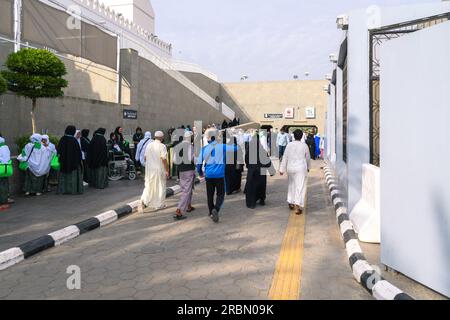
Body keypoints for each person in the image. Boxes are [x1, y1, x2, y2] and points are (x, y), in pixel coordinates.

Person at [197, 129, 236, 223]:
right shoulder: (222, 146)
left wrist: (200, 173)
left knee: (210, 194)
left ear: (209, 140)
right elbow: (235, 148)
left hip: (209, 175)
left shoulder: (204, 149)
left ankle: (211, 211)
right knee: (221, 194)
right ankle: (216, 209)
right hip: (219, 175)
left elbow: (198, 164)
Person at [279, 130, 311, 215]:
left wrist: (281, 169)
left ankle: (290, 201)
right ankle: (297, 206)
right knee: (299, 187)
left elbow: (285, 157)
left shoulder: (289, 145)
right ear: (301, 136)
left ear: (294, 136)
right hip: (300, 168)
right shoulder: (304, 145)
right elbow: (308, 157)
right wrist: (308, 167)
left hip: (290, 168)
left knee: (291, 185)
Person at [141, 131, 169, 212]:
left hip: (149, 170)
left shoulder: (149, 145)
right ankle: (159, 204)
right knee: (160, 187)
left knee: (149, 185)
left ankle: (144, 200)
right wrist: (167, 170)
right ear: (161, 137)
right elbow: (164, 159)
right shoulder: (162, 146)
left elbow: (145, 157)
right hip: (159, 169)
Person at [245, 134, 275, 209]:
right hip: (261, 170)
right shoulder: (262, 150)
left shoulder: (249, 150)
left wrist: (248, 166)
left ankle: (252, 203)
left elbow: (246, 160)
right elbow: (267, 160)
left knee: (251, 186)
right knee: (261, 185)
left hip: (252, 171)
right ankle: (261, 200)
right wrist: (271, 171)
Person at [173, 131, 196, 220]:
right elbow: (192, 158)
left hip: (181, 170)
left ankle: (188, 206)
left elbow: (175, 160)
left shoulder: (178, 146)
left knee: (186, 188)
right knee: (186, 190)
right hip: (189, 169)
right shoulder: (190, 146)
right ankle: (179, 210)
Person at [57, 126, 83, 195]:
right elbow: (78, 153)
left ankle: (62, 190)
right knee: (73, 177)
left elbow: (58, 150)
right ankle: (72, 190)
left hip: (63, 162)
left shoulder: (62, 139)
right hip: (74, 163)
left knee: (63, 176)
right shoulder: (74, 140)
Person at [0, 136, 12, 211]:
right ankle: (5, 201)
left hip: (0, 168)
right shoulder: (6, 147)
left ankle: (2, 202)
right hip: (6, 169)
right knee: (4, 184)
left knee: (1, 185)